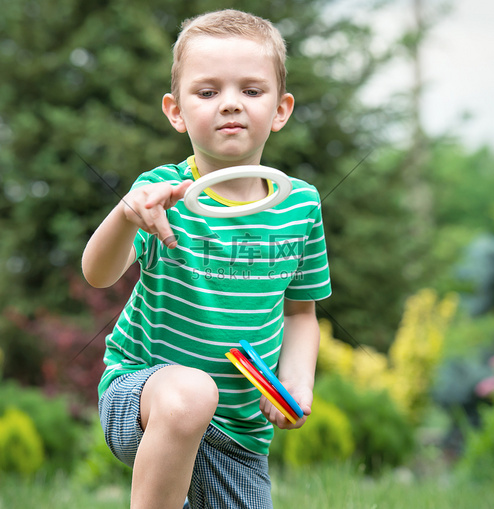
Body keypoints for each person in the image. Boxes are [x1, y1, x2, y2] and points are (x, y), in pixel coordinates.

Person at [82, 9, 331, 509]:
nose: (231, 105)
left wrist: (295, 384)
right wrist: (128, 214)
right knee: (191, 393)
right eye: (208, 91)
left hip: (239, 433)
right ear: (176, 111)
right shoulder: (160, 195)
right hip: (144, 395)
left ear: (281, 110)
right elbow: (98, 274)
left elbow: (301, 313)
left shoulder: (301, 205)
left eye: (252, 91)